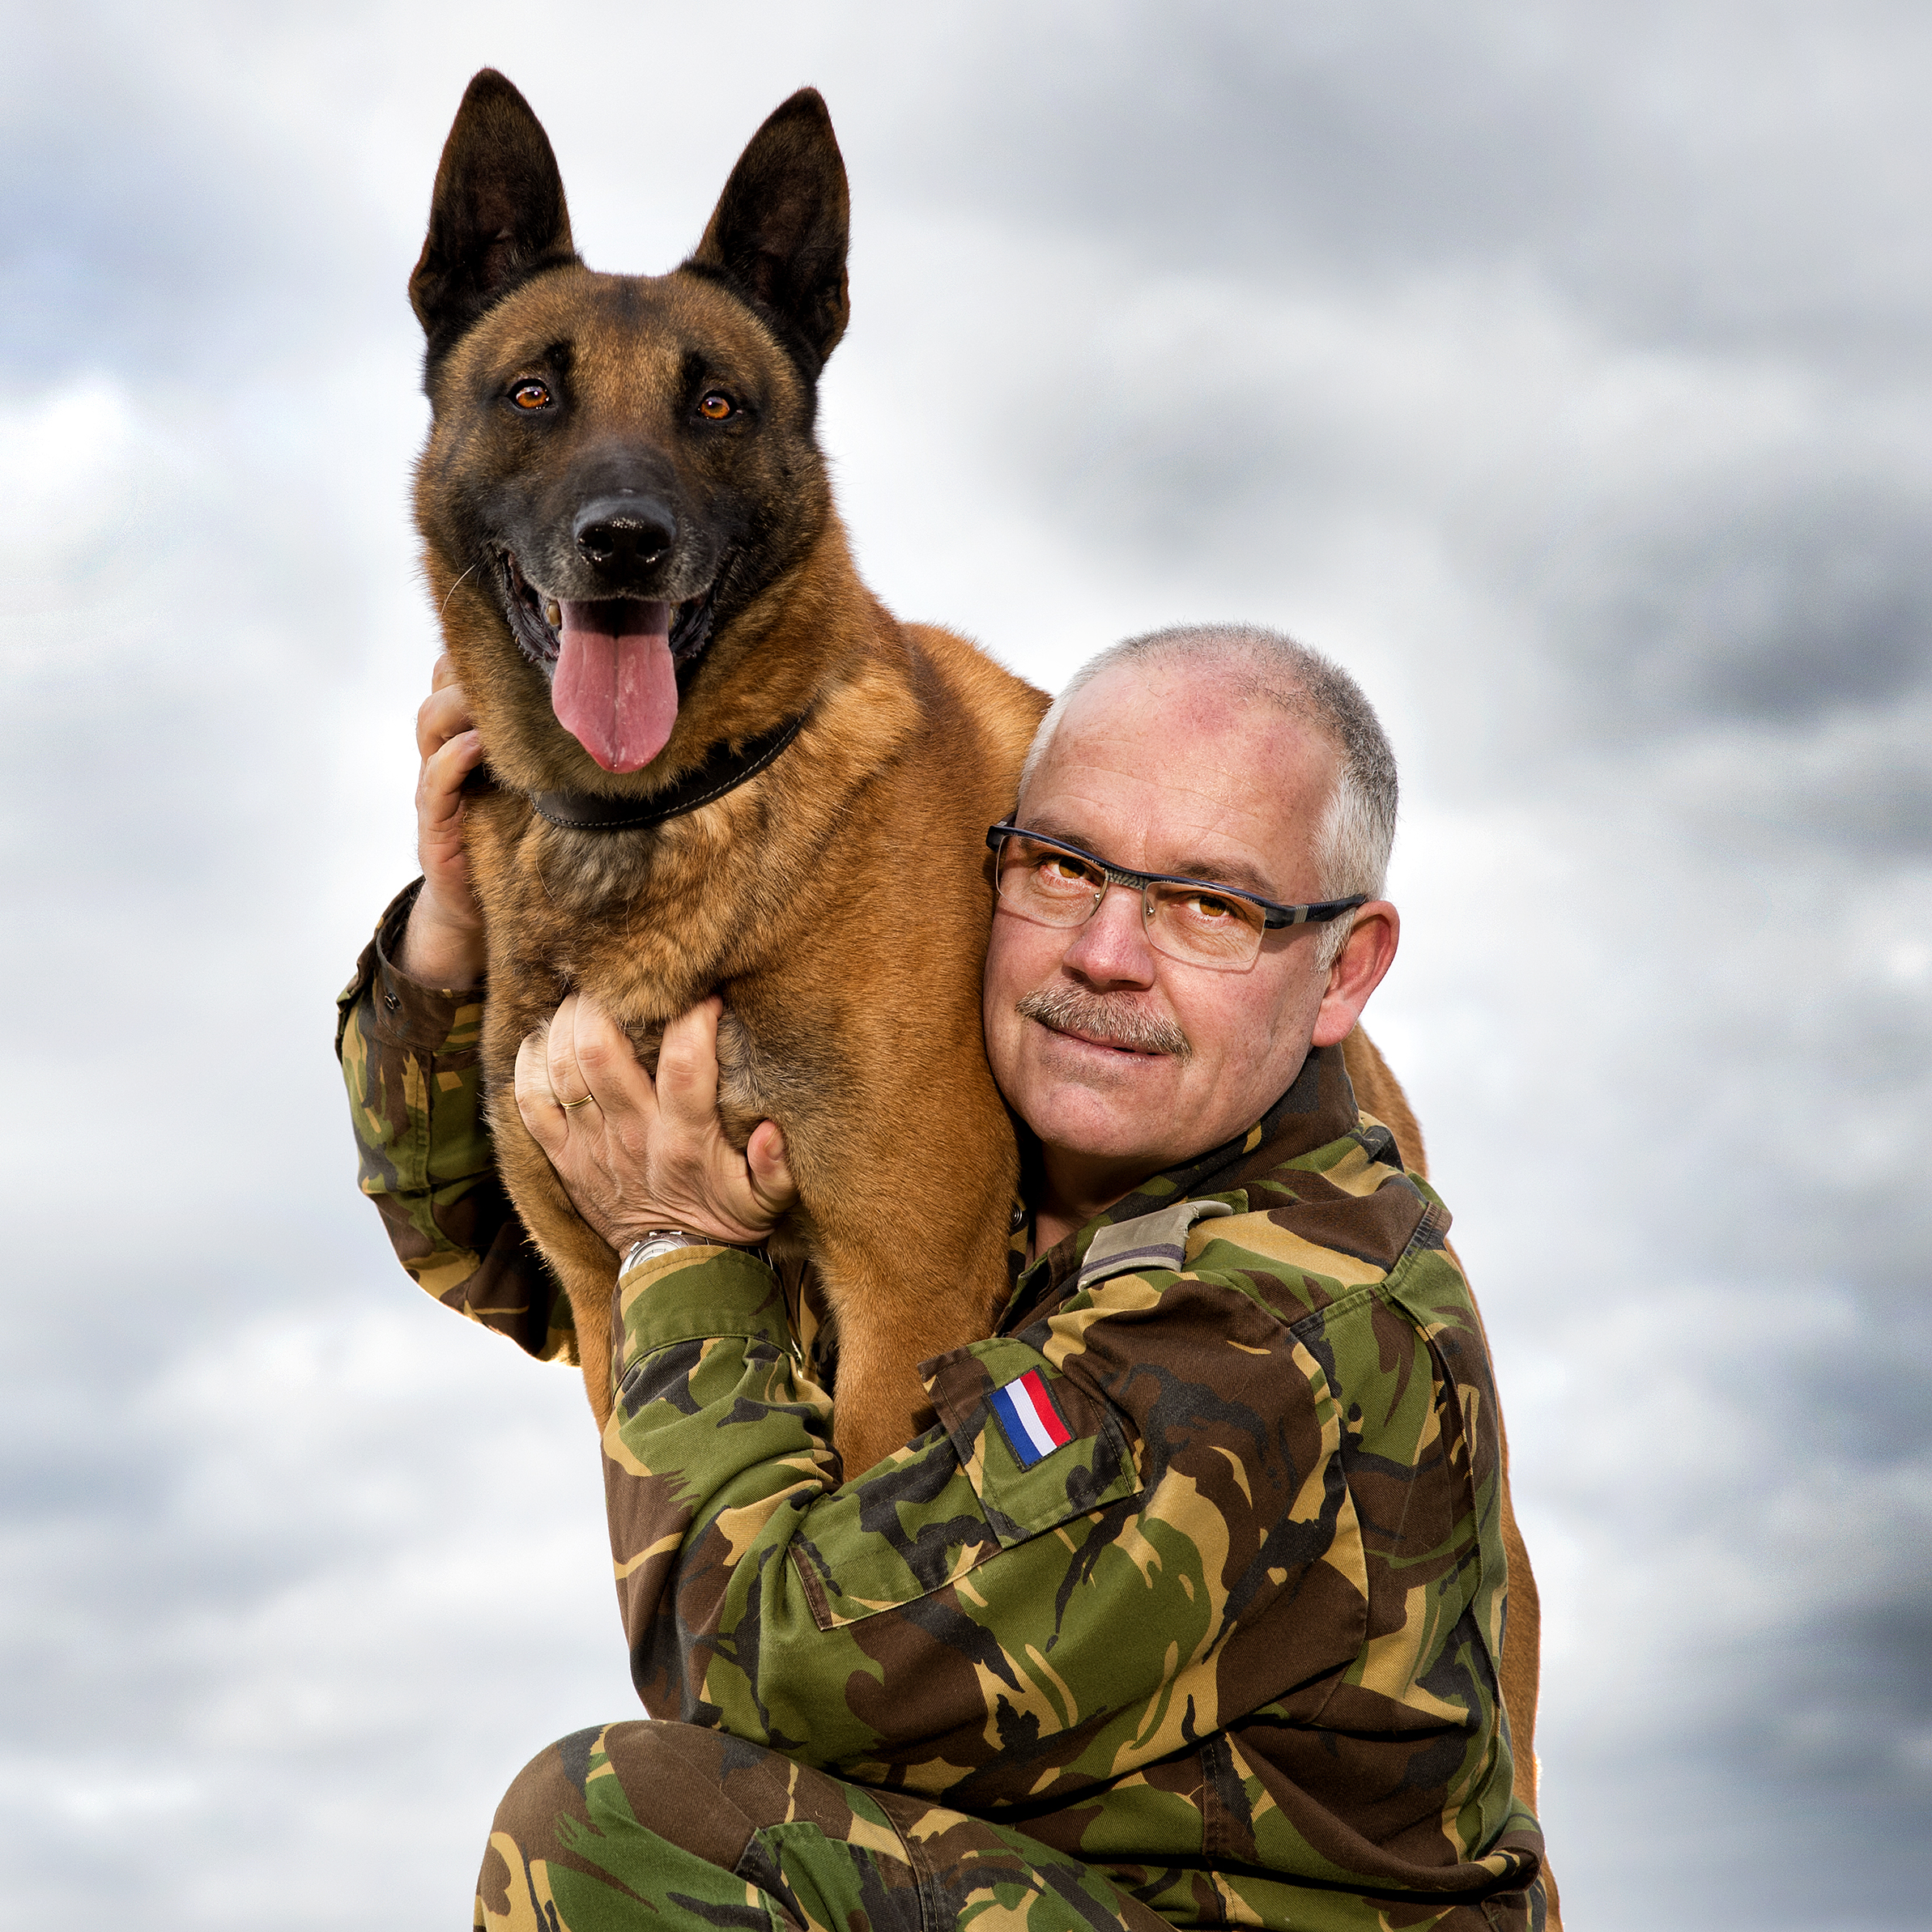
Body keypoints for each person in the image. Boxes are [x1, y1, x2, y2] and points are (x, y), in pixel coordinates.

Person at [338, 623, 1548, 1930]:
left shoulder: (1279, 1317)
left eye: (1211, 906)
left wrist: (682, 1251)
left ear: (1344, 968)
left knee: (609, 1826)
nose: (1105, 953)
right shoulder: (988, 1168)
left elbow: (777, 1672)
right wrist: (452, 939)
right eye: (1063, 866)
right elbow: (521, 1265)